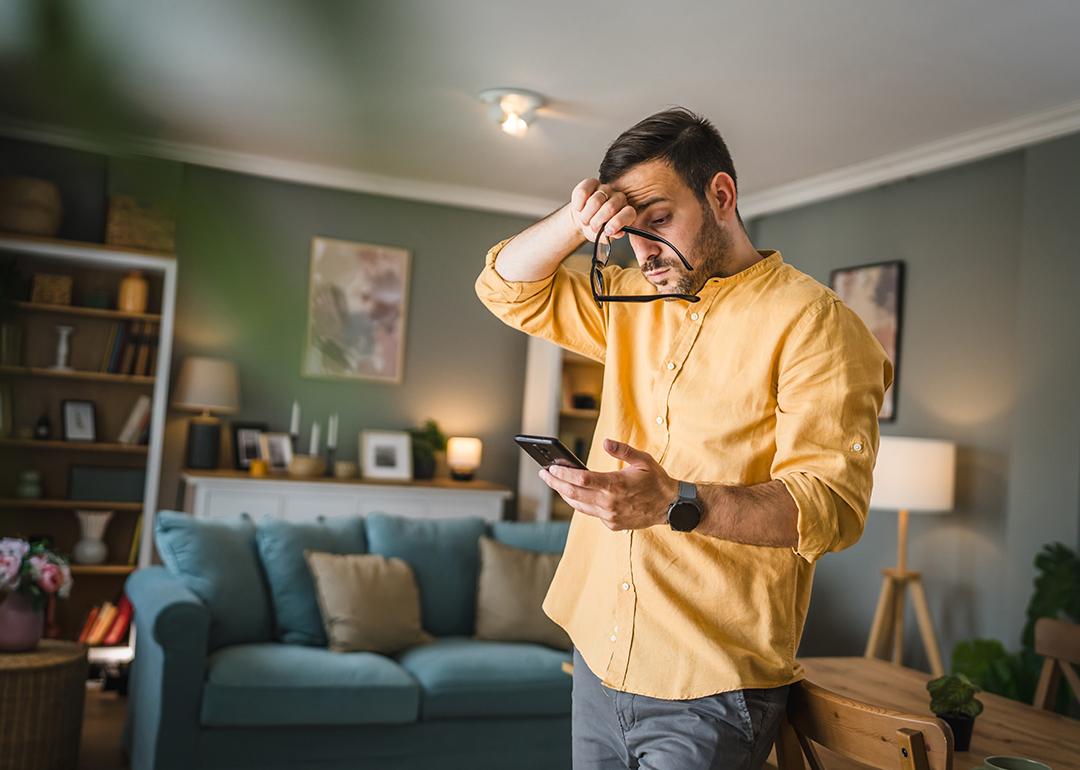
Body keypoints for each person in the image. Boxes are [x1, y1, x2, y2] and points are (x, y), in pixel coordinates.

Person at [475, 107, 893, 770]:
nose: (643, 251)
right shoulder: (632, 299)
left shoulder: (817, 326)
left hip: (710, 688)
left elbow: (831, 508)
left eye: (660, 220)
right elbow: (505, 288)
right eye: (629, 231)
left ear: (720, 196)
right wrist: (576, 219)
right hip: (598, 657)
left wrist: (676, 501)